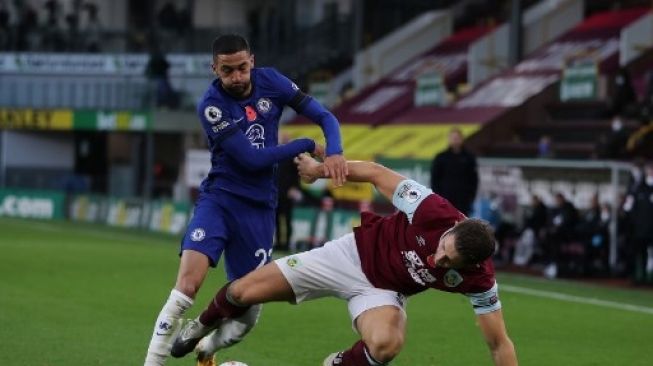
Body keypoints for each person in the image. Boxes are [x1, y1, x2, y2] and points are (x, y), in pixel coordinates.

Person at [171, 155, 518, 366]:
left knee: (387, 345)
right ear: (452, 228)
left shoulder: (480, 279)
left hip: (383, 291)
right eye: (443, 246)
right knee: (242, 292)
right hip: (347, 255)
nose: (436, 257)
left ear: (468, 266)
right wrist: (319, 170)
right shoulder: (434, 210)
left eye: (447, 262)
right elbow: (376, 173)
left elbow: (498, 343)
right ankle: (199, 326)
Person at [143, 34, 348, 366]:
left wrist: (335, 152)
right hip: (220, 200)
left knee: (248, 313)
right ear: (215, 69)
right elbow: (252, 160)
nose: (236, 77)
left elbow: (326, 116)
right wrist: (305, 143)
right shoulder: (212, 105)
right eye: (227, 71)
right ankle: (152, 362)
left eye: (242, 68)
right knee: (187, 287)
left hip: (259, 209)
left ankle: (206, 348)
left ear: (252, 61)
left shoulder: (273, 82)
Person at [430, 127, 479, 216]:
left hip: (464, 200)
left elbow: (474, 179)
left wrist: (471, 197)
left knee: (463, 225)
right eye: (453, 138)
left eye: (457, 138)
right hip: (445, 199)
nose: (455, 140)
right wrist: (438, 198)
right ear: (449, 139)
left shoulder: (469, 158)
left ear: (462, 139)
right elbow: (435, 179)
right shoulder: (441, 157)